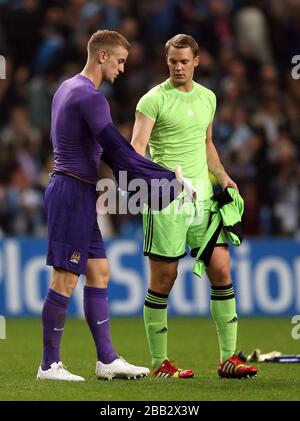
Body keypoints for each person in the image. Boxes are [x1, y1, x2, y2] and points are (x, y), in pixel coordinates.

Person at [37, 30, 183, 382]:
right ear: (102, 56)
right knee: (65, 278)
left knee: (100, 272)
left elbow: (106, 153)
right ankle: (48, 365)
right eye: (119, 61)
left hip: (79, 192)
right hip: (72, 192)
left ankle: (107, 360)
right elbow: (117, 151)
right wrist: (166, 182)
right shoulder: (91, 97)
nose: (121, 69)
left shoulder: (65, 88)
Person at [131, 34, 258, 379]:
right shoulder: (152, 100)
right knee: (165, 278)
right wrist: (148, 183)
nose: (178, 67)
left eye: (184, 61)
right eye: (172, 61)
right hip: (166, 202)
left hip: (203, 201)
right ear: (166, 61)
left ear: (197, 61)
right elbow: (137, 147)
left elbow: (207, 144)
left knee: (222, 270)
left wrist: (223, 175)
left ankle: (229, 359)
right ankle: (160, 364)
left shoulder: (208, 99)